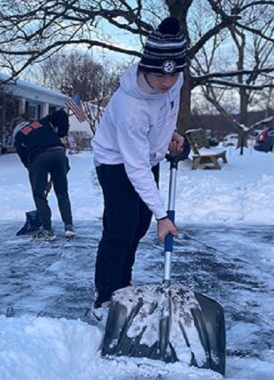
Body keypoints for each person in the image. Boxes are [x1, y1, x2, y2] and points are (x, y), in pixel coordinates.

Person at [90, 17, 187, 323]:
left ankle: (123, 285)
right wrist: (163, 216)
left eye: (173, 75)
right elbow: (135, 167)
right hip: (116, 162)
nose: (167, 83)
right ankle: (104, 299)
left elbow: (166, 112)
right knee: (120, 228)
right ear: (146, 66)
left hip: (149, 156)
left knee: (139, 225)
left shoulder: (175, 80)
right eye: (160, 75)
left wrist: (171, 134)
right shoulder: (129, 107)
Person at [13, 109, 74, 241]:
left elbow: (26, 161)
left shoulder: (19, 136)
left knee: (39, 195)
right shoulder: (42, 123)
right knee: (62, 193)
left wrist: (38, 180)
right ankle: (69, 228)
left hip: (38, 157)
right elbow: (62, 114)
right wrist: (62, 133)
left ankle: (48, 231)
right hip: (59, 153)